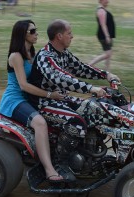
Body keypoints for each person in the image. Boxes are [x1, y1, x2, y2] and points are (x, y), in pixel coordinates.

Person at [27, 19, 120, 180]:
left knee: (98, 109)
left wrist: (106, 75)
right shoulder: (45, 57)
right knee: (76, 123)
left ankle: (90, 152)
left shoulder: (63, 53)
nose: (73, 36)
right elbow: (63, 79)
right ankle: (60, 163)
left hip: (61, 99)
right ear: (59, 36)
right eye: (70, 33)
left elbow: (81, 68)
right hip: (42, 103)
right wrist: (91, 88)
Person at [0, 20, 66, 182]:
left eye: (36, 30)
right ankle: (49, 170)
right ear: (23, 34)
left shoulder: (34, 55)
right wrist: (50, 95)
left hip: (31, 99)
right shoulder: (16, 56)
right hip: (15, 101)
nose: (36, 33)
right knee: (40, 123)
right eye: (33, 31)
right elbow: (24, 85)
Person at [89, 0, 115, 72]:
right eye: (105, 0)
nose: (108, 1)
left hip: (107, 35)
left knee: (109, 54)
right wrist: (107, 36)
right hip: (104, 35)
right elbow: (103, 25)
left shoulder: (103, 10)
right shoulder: (101, 11)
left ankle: (108, 71)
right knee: (107, 54)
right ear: (101, 1)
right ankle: (89, 65)